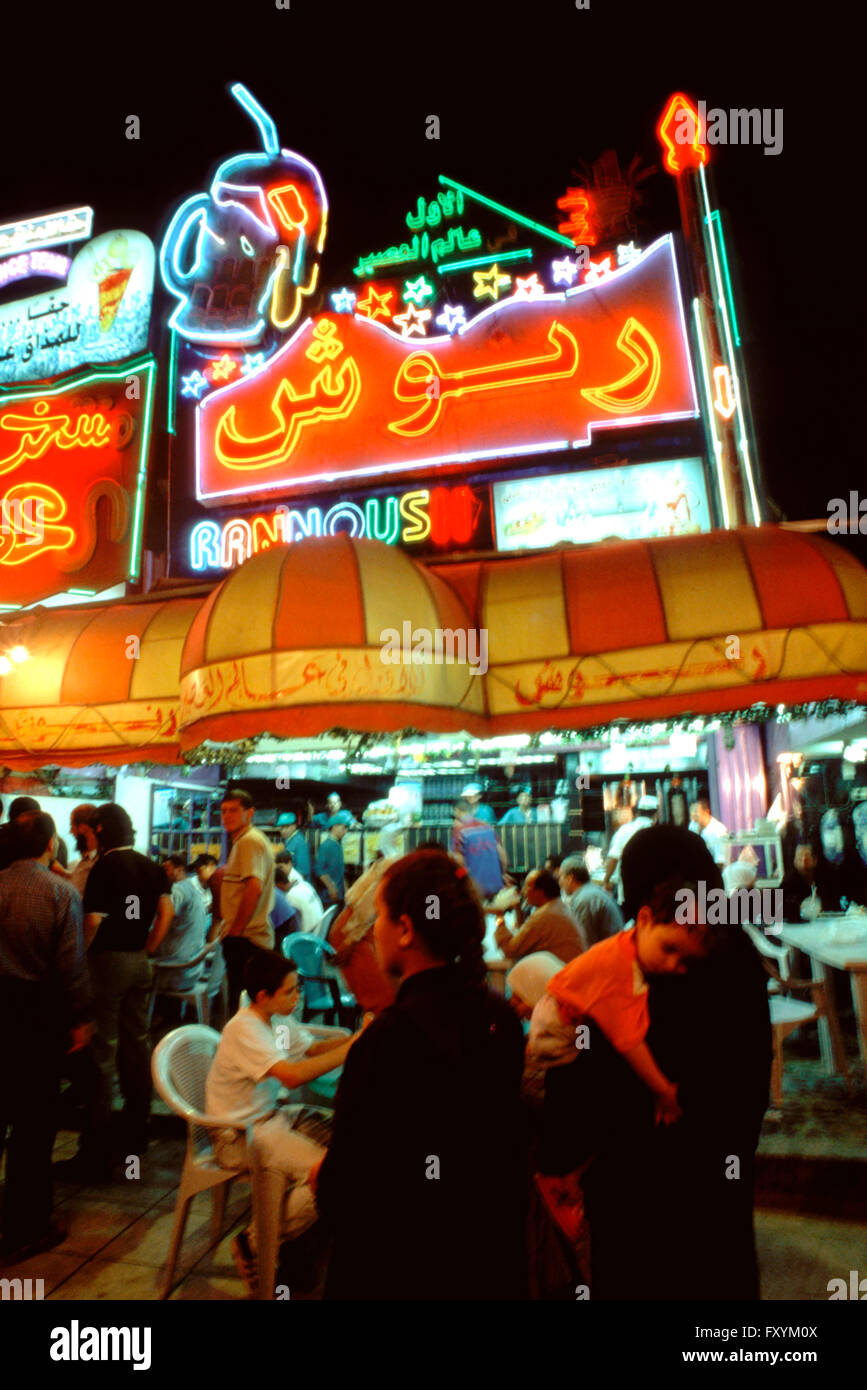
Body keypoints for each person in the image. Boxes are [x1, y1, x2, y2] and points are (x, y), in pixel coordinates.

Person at [539, 825, 772, 1299]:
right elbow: (750, 1079)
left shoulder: (649, 967)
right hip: (720, 1170)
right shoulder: (734, 956)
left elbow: (595, 1088)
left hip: (638, 1190)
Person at [313, 849, 528, 1300]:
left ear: (406, 930)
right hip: (485, 1260)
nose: (372, 929)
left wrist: (324, 1177)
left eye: (381, 917)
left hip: (399, 1269)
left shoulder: (387, 1041)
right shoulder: (499, 1017)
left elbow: (346, 1192)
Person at [205, 950, 367, 1296]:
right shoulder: (245, 1029)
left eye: (298, 989)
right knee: (332, 1175)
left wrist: (358, 1036)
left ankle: (298, 1251)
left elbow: (309, 1050)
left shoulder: (275, 1019)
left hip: (269, 1121)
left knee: (343, 1146)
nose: (298, 997)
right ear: (264, 996)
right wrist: (355, 1045)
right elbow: (292, 1076)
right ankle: (255, 1242)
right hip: (239, 1138)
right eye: (291, 991)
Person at [0, 812, 93, 1260]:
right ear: (51, 844)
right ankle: (25, 1227)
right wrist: (81, 1016)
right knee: (33, 1124)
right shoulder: (60, 891)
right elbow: (71, 965)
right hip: (33, 1013)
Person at [58, 803, 165, 1180]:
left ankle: (98, 1146)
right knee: (138, 1043)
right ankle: (138, 1127)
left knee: (103, 1051)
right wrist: (147, 946)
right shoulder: (150, 866)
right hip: (140, 961)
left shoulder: (107, 866)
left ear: (101, 830)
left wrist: (79, 958)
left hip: (109, 963)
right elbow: (164, 913)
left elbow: (93, 920)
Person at [218, 789, 276, 1016]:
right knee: (247, 1007)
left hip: (246, 940)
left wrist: (236, 931)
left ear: (249, 813)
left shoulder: (248, 842)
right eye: (223, 811)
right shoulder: (247, 840)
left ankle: (240, 1050)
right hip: (248, 938)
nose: (227, 816)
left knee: (241, 1009)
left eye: (234, 810)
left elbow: (254, 886)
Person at [328, 853, 399, 1015]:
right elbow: (367, 908)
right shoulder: (396, 869)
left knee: (392, 995)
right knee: (382, 1000)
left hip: (364, 930)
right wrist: (350, 941)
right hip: (352, 931)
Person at [495, 868, 584, 964]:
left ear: (540, 892)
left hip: (563, 973)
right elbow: (525, 935)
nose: (523, 891)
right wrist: (517, 906)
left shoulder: (545, 916)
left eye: (527, 887)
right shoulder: (556, 906)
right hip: (570, 968)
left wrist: (499, 918)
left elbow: (510, 950)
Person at [148, 856, 209, 992]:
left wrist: (149, 948)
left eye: (166, 869)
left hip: (177, 971)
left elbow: (165, 916)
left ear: (179, 869)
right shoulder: (192, 889)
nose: (163, 873)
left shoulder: (178, 890)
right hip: (194, 969)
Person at [560, 853, 623, 948]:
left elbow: (585, 941)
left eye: (561, 877)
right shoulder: (590, 892)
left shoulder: (584, 899)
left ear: (570, 878)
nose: (559, 882)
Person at [602, 794, 658, 900]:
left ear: (637, 813)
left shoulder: (625, 831)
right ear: (656, 814)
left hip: (628, 888)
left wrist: (606, 881)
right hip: (653, 889)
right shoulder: (659, 833)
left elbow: (613, 859)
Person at [450, 797, 507, 900]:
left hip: (475, 890)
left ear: (456, 811)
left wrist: (457, 878)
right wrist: (501, 874)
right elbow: (503, 858)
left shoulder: (459, 832)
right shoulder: (487, 827)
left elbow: (459, 864)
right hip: (496, 886)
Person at [781, 841, 841, 920]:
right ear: (794, 861)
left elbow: (835, 905)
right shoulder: (788, 883)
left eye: (807, 858)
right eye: (799, 857)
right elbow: (776, 909)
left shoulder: (825, 880)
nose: (803, 862)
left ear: (815, 860)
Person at [314, 821, 348, 908]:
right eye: (343, 828)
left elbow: (341, 871)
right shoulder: (326, 846)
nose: (346, 831)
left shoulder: (338, 845)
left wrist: (346, 889)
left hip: (340, 895)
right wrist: (331, 887)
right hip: (329, 897)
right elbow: (319, 870)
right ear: (334, 827)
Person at [690, 798, 729, 867]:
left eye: (696, 811)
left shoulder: (719, 830)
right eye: (691, 811)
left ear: (707, 812)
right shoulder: (693, 825)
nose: (692, 815)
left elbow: (720, 861)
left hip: (716, 871)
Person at [280, 802, 312, 879]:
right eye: (282, 827)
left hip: (299, 885)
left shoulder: (300, 843)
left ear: (294, 826)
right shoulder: (288, 840)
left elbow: (303, 872)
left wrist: (288, 886)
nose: (283, 830)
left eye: (286, 827)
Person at [271, 867, 301, 945]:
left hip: (290, 931)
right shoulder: (299, 884)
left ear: (278, 884)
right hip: (298, 928)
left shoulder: (290, 894)